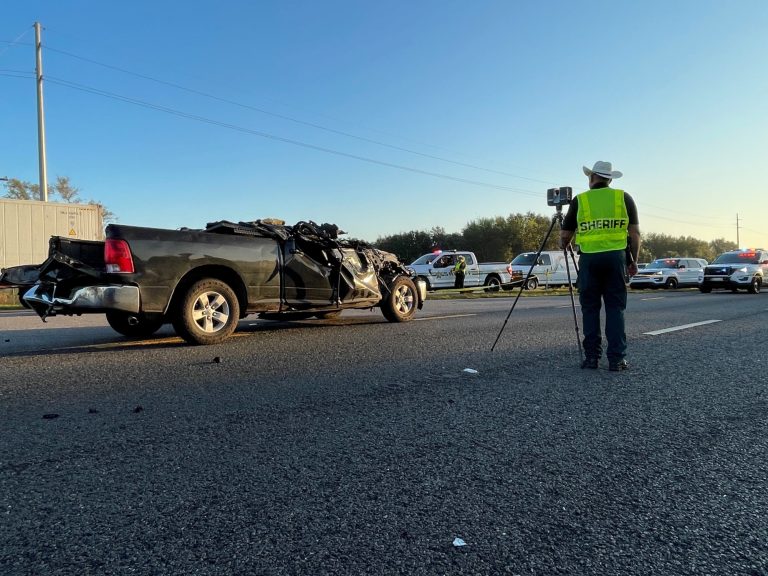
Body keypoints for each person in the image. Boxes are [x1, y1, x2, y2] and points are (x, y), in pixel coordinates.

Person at [560, 161, 641, 371]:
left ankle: (591, 359)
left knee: (590, 309)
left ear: (591, 177)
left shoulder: (580, 200)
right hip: (616, 259)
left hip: (589, 260)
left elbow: (565, 235)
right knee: (615, 309)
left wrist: (564, 244)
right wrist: (634, 260)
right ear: (610, 179)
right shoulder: (623, 197)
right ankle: (616, 360)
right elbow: (635, 234)